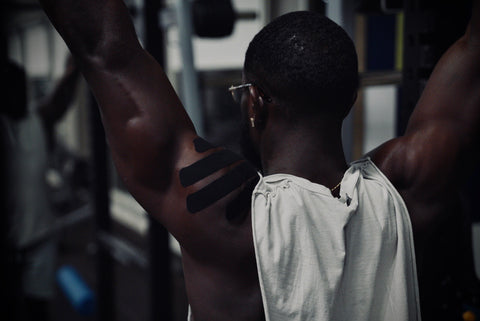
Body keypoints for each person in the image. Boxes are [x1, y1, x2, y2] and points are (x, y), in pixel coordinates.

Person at [37, 0, 480, 320]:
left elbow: (104, 48)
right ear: (349, 100)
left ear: (254, 103)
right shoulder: (407, 192)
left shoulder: (223, 218)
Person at [1, 56, 80, 321]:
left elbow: (61, 96)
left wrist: (75, 63)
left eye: (22, 87)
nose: (20, 94)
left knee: (37, 309)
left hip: (40, 235)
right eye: (11, 88)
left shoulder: (38, 120)